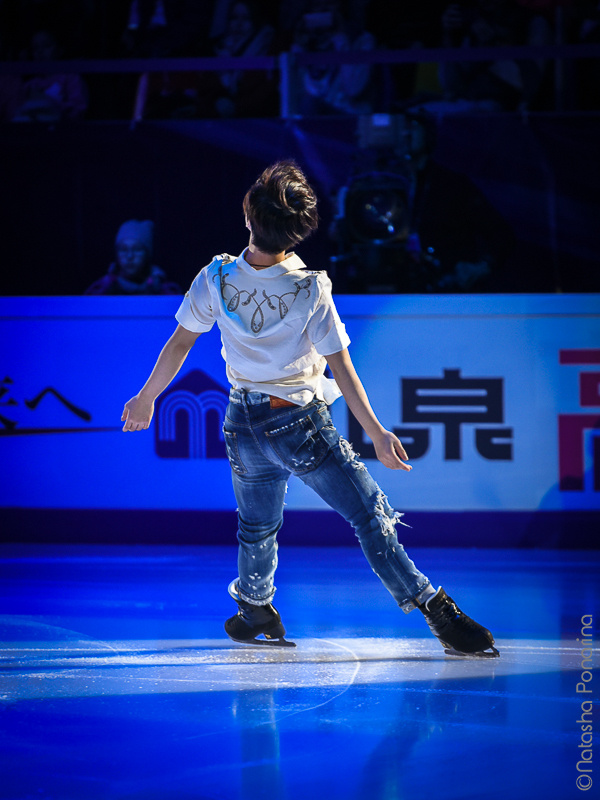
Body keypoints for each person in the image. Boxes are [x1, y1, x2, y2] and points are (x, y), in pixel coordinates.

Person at [121, 160, 499, 658]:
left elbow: (180, 343)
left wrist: (147, 396)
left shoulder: (215, 276)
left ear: (248, 215)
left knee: (256, 526)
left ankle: (255, 606)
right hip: (297, 424)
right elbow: (341, 367)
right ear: (299, 230)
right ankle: (434, 609)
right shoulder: (309, 288)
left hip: (241, 423)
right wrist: (378, 431)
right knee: (370, 516)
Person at [85, 219, 181, 295]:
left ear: (147, 254)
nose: (130, 256)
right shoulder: (100, 290)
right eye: (123, 249)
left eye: (137, 249)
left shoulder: (166, 291)